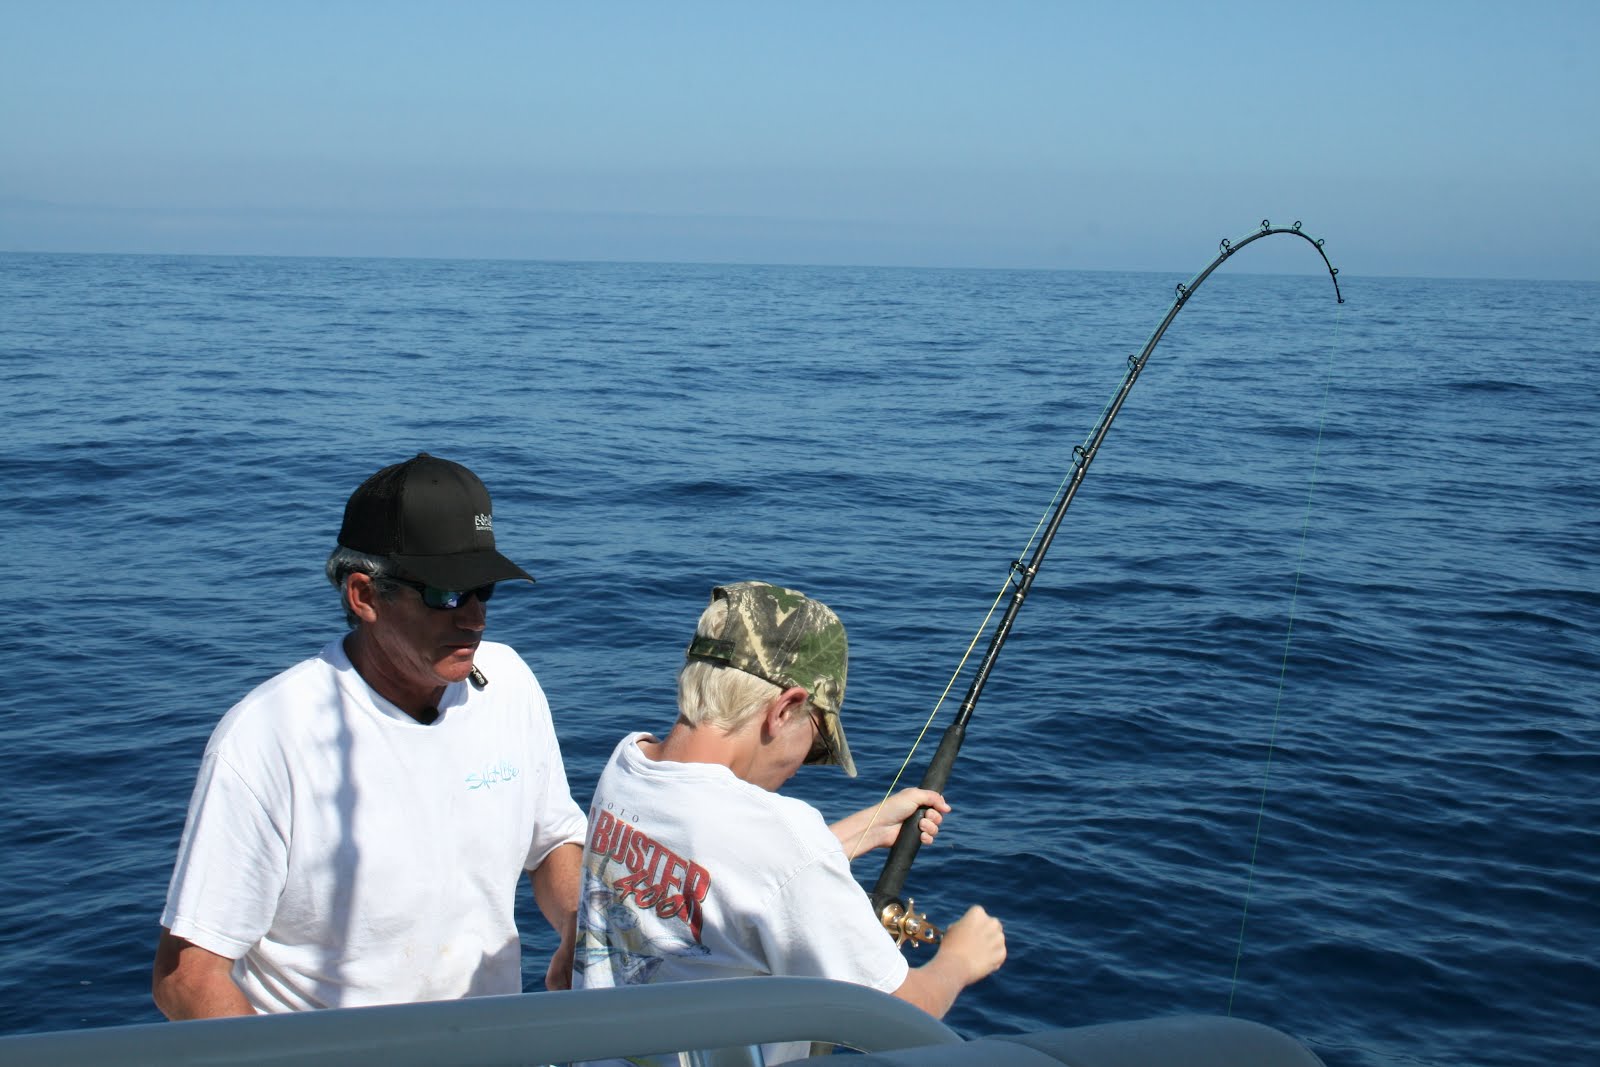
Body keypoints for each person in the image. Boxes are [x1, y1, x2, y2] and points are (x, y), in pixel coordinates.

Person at [152, 453, 587, 1018]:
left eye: (483, 589)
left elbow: (552, 842)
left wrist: (580, 926)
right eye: (446, 594)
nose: (475, 618)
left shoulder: (509, 683)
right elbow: (187, 977)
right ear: (364, 595)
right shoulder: (265, 738)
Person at [572, 581, 1005, 1061]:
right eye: (817, 741)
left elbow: (726, 873)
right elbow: (899, 1015)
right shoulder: (781, 839)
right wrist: (960, 960)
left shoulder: (627, 765)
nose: (802, 765)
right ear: (784, 709)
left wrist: (861, 831)